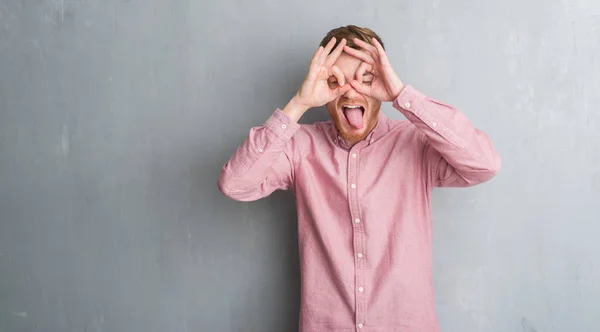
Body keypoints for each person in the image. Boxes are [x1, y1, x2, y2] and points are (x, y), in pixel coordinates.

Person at [218, 25, 501, 332]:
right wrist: (298, 103)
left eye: (366, 79)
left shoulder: (416, 143)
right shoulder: (300, 146)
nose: (352, 91)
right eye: (336, 80)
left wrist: (401, 95)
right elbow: (235, 184)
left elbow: (484, 165)